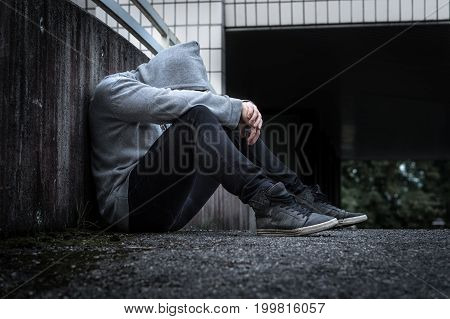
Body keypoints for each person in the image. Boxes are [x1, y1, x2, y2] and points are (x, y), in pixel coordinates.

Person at [89, 41, 367, 236]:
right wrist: (236, 107)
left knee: (228, 126)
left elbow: (186, 107)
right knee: (198, 116)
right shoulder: (113, 90)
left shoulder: (155, 101)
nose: (189, 96)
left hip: (171, 213)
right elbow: (172, 103)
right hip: (128, 209)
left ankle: (300, 197)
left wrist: (236, 116)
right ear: (167, 80)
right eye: (185, 91)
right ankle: (267, 204)